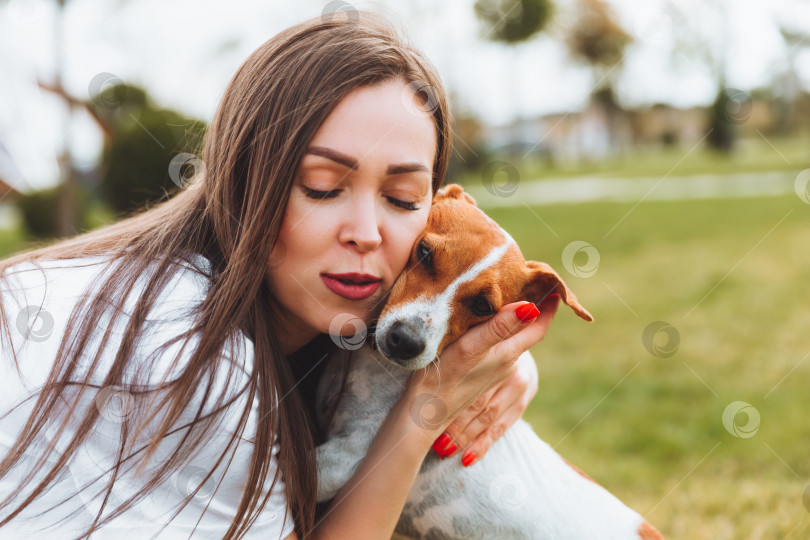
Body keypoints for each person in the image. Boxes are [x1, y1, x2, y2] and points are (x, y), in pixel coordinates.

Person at [0, 10, 559, 540]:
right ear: (243, 179)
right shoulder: (197, 360)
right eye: (321, 186)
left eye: (401, 197)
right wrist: (423, 414)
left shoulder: (236, 308)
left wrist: (492, 354)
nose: (366, 232)